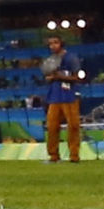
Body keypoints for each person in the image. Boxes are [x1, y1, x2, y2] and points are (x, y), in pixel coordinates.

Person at [41, 34, 84, 163]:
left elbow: (78, 78)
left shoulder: (71, 58)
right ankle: (53, 156)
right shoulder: (50, 60)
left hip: (69, 96)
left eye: (55, 42)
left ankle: (74, 156)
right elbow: (49, 77)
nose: (53, 46)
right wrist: (50, 79)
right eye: (50, 43)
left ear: (61, 43)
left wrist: (59, 77)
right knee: (52, 127)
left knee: (73, 126)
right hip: (54, 97)